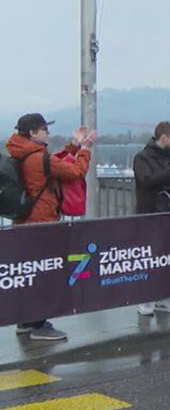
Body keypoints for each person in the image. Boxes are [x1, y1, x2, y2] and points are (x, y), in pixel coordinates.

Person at [7, 114, 96, 341]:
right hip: (42, 221)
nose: (47, 132)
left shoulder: (22, 152)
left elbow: (53, 162)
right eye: (44, 129)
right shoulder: (38, 157)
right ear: (32, 133)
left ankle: (26, 320)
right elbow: (75, 171)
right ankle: (39, 324)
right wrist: (85, 149)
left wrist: (74, 145)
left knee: (32, 272)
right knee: (44, 273)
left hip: (25, 220)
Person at [134, 121, 170, 316]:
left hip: (168, 214)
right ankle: (145, 299)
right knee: (148, 259)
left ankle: (163, 298)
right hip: (149, 214)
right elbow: (147, 182)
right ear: (163, 137)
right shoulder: (142, 157)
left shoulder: (169, 158)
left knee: (166, 258)